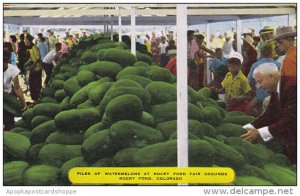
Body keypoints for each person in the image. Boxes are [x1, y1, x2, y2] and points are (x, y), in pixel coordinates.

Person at [241, 26, 296, 164]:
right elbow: (270, 113)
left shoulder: (290, 84)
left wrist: (260, 132)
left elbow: (290, 118)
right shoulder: (276, 89)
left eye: (280, 41)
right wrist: (251, 126)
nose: (258, 86)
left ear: (272, 77)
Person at [247, 45, 281, 116]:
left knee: (258, 113)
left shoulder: (255, 65)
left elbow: (249, 81)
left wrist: (254, 90)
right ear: (272, 53)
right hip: (275, 96)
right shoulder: (278, 64)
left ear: (261, 53)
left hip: (260, 96)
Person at [3, 49, 27, 131]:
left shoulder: (13, 70)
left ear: (8, 61)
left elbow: (17, 88)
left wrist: (24, 103)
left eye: (4, 63)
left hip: (8, 97)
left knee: (9, 122)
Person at [24, 34, 43, 102]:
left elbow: (38, 57)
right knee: (31, 83)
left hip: (37, 68)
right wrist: (28, 63)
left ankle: (37, 98)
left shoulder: (34, 47)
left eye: (25, 39)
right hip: (33, 69)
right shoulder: (29, 47)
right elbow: (31, 58)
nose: (24, 41)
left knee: (37, 83)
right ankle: (34, 98)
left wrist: (33, 65)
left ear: (28, 40)